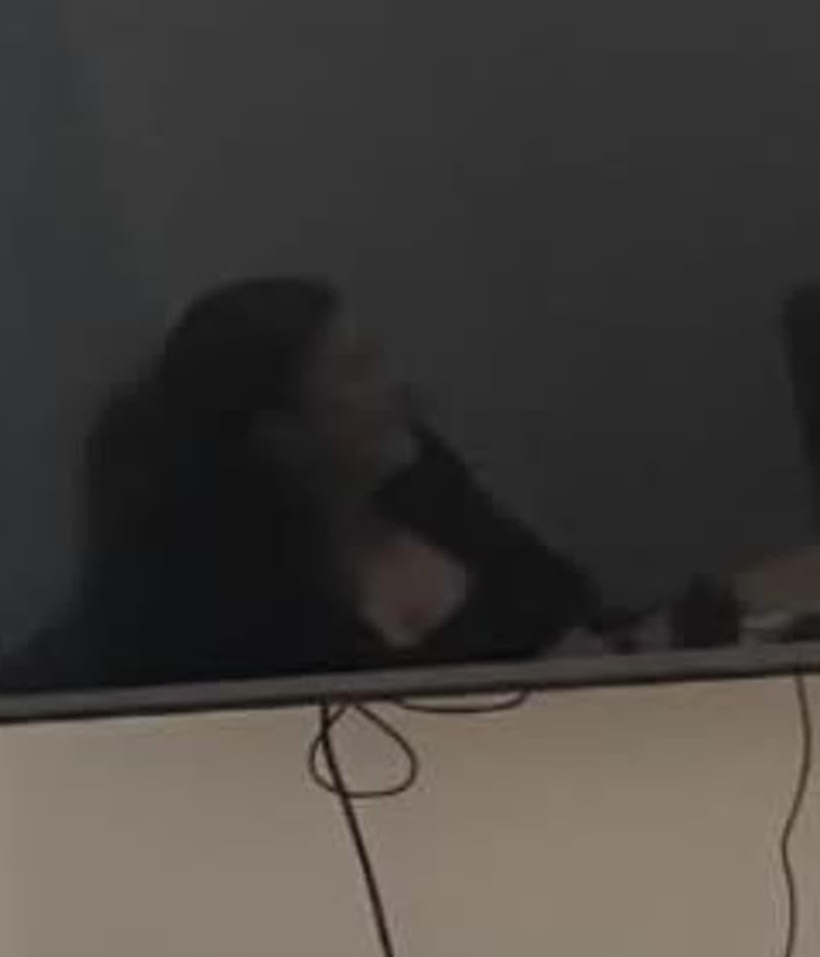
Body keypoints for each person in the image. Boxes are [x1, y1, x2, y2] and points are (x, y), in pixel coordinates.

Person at [49, 275, 602, 697]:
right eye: (356, 372)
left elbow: (553, 602)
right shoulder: (237, 624)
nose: (394, 388)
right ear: (280, 435)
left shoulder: (425, 486)